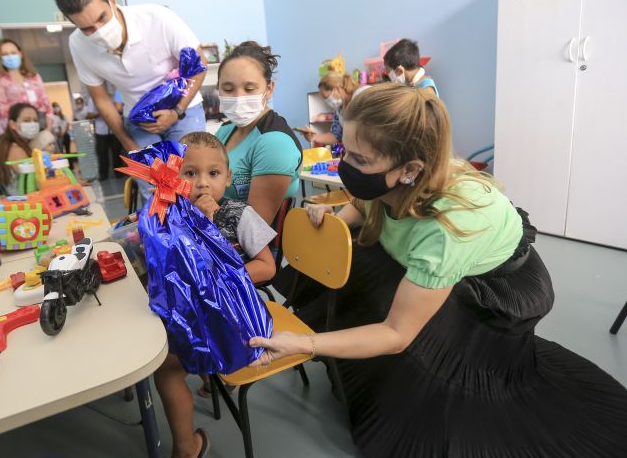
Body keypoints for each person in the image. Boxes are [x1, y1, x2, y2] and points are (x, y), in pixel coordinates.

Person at [256, 84, 627, 457]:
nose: (347, 168)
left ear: (409, 171)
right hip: (434, 250)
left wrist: (303, 344)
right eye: (344, 152)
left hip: (496, 285)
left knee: (436, 366)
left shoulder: (444, 233)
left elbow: (396, 333)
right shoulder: (397, 175)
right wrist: (338, 218)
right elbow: (364, 199)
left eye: (361, 161)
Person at [153, 131, 277, 458]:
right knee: (160, 356)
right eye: (190, 173)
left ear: (228, 178)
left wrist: (220, 268)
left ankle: (189, 440)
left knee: (168, 365)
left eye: (213, 173)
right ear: (173, 176)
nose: (203, 183)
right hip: (193, 315)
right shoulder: (170, 218)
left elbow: (268, 267)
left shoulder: (239, 215)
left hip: (237, 318)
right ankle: (190, 437)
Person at [54, 0, 207, 197]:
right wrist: (130, 146)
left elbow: (199, 62)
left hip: (185, 108)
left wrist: (177, 111)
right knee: (154, 189)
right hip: (137, 120)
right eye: (87, 28)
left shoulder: (157, 17)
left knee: (189, 184)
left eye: (102, 18)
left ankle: (196, 231)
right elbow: (102, 100)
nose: (99, 32)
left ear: (112, 1)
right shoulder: (78, 45)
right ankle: (161, 233)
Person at [214, 41, 302, 224]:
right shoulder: (224, 131)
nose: (238, 97)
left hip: (248, 247)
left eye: (249, 89)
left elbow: (254, 228)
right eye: (228, 89)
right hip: (214, 231)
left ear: (269, 89)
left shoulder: (275, 143)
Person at [0, 38, 53, 134]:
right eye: (5, 54)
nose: (10, 56)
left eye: (13, 52)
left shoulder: (34, 77)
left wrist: (48, 131)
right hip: (15, 132)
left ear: (20, 54)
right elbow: (1, 109)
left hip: (39, 128)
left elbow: (46, 105)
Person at [297, 71, 368, 146]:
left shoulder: (363, 95)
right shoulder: (340, 108)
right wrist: (314, 137)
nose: (327, 101)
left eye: (327, 97)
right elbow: (335, 135)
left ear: (337, 89)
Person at [0, 103, 40, 196]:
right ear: (12, 124)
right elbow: (33, 180)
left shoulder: (16, 145)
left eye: (35, 120)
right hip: (25, 203)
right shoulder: (16, 149)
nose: (32, 124)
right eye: (26, 120)